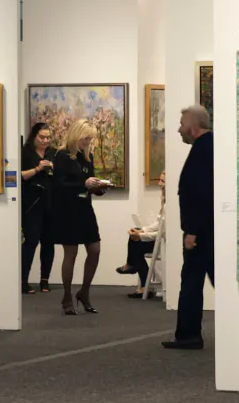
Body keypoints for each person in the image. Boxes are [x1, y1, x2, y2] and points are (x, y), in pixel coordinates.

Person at [163, 105, 214, 350]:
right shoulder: (207, 148)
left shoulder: (203, 150)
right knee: (200, 281)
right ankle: (188, 333)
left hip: (202, 232)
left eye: (182, 124)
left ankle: (188, 335)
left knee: (192, 283)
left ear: (193, 127)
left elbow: (200, 194)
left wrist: (192, 231)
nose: (179, 130)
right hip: (206, 229)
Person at [52, 120, 112, 315]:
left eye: (90, 138)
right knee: (71, 253)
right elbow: (59, 186)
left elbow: (89, 183)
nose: (88, 141)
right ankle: (67, 297)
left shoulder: (88, 157)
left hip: (85, 208)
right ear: (76, 135)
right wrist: (83, 184)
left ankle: (84, 291)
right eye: (86, 138)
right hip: (67, 210)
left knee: (95, 249)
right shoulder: (62, 156)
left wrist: (99, 188)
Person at [116, 170, 166, 298]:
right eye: (159, 180)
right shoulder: (164, 199)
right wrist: (142, 231)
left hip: (165, 243)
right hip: (159, 238)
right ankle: (141, 281)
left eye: (163, 181)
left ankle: (132, 268)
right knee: (135, 235)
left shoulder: (170, 204)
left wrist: (141, 236)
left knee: (136, 246)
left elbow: (163, 231)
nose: (160, 184)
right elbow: (158, 224)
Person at [21, 122, 56, 294]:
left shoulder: (53, 153)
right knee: (31, 242)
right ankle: (23, 280)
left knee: (48, 243)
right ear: (34, 136)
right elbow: (18, 175)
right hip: (31, 204)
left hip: (50, 203)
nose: (45, 140)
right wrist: (37, 168)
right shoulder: (24, 152)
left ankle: (45, 280)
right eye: (42, 137)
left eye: (48, 137)